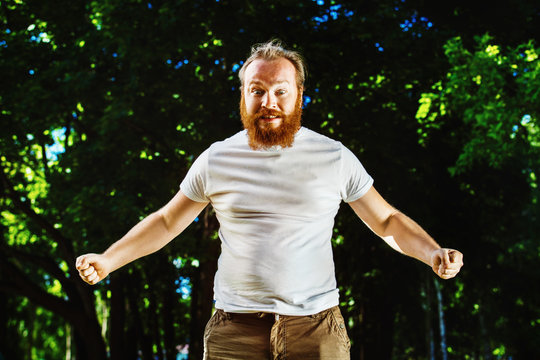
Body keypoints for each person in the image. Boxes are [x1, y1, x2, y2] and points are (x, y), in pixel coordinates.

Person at [76, 40, 464, 359]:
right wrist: (108, 260)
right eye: (257, 91)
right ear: (243, 96)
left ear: (299, 96)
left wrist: (431, 252)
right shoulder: (217, 158)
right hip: (234, 330)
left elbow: (386, 220)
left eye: (281, 91)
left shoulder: (334, 156)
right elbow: (165, 222)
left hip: (316, 328)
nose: (269, 102)